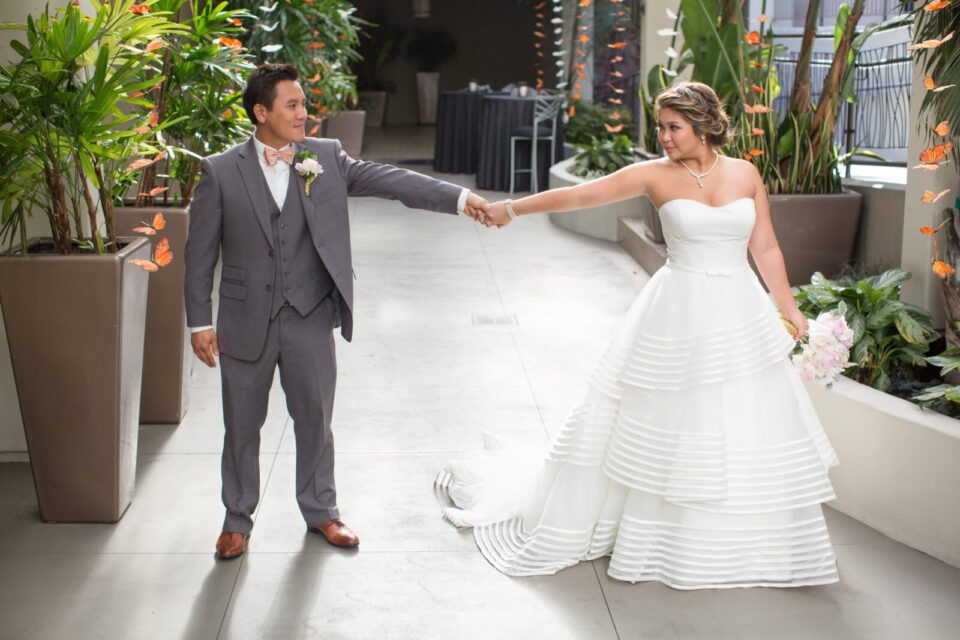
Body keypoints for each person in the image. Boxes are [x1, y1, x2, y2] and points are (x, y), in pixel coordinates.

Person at [440, 81, 839, 589]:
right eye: (661, 127)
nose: (664, 137)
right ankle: (662, 535)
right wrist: (511, 209)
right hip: (678, 311)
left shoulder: (745, 173)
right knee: (668, 419)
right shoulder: (655, 175)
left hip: (740, 312)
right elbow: (581, 194)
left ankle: (746, 542)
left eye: (674, 127)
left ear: (704, 126)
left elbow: (766, 248)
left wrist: (789, 308)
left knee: (743, 416)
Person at [185, 63, 489, 560]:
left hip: (308, 312)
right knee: (241, 426)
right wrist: (199, 321)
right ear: (261, 112)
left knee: (315, 421)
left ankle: (322, 511)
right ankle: (236, 520)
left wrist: (462, 198)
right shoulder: (220, 171)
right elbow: (200, 253)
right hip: (244, 319)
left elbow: (393, 181)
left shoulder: (323, 156)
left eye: (303, 104)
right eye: (292, 105)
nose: (303, 113)